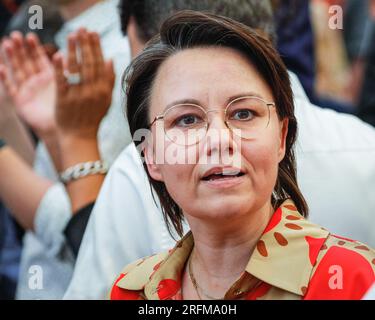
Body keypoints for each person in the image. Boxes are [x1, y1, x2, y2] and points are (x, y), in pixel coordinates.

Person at [64, 0, 375, 300]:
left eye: (243, 114)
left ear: (282, 137)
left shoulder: (353, 281)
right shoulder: (132, 291)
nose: (219, 139)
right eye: (187, 120)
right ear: (150, 155)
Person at [0, 0, 131, 299]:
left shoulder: (120, 54)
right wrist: (40, 131)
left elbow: (87, 230)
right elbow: (69, 190)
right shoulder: (83, 42)